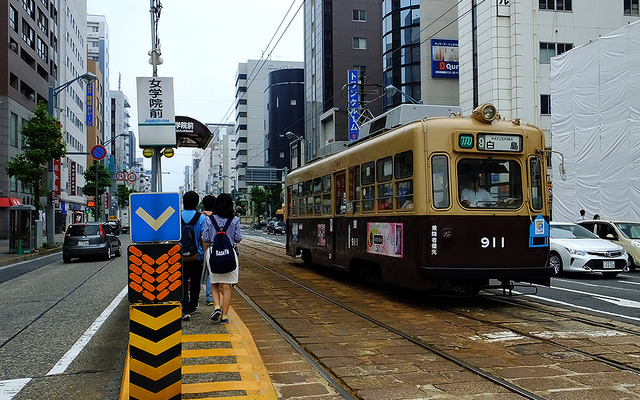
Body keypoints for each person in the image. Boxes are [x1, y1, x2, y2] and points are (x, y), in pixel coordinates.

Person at [202, 193, 242, 325]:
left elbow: (206, 239)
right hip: (229, 254)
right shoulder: (234, 220)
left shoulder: (209, 219)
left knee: (214, 284)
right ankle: (224, 316)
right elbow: (238, 238)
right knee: (227, 286)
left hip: (213, 253)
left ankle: (217, 307)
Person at [180, 191, 207, 321]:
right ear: (197, 203)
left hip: (179, 256)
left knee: (182, 281)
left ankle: (184, 307)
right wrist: (205, 254)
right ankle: (193, 306)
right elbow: (203, 239)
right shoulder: (201, 218)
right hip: (197, 256)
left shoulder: (177, 217)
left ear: (184, 202)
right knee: (195, 282)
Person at [200, 195, 216, 306]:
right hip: (211, 249)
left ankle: (194, 296)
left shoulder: (200, 217)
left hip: (196, 250)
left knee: (194, 274)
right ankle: (210, 297)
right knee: (211, 274)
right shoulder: (217, 217)